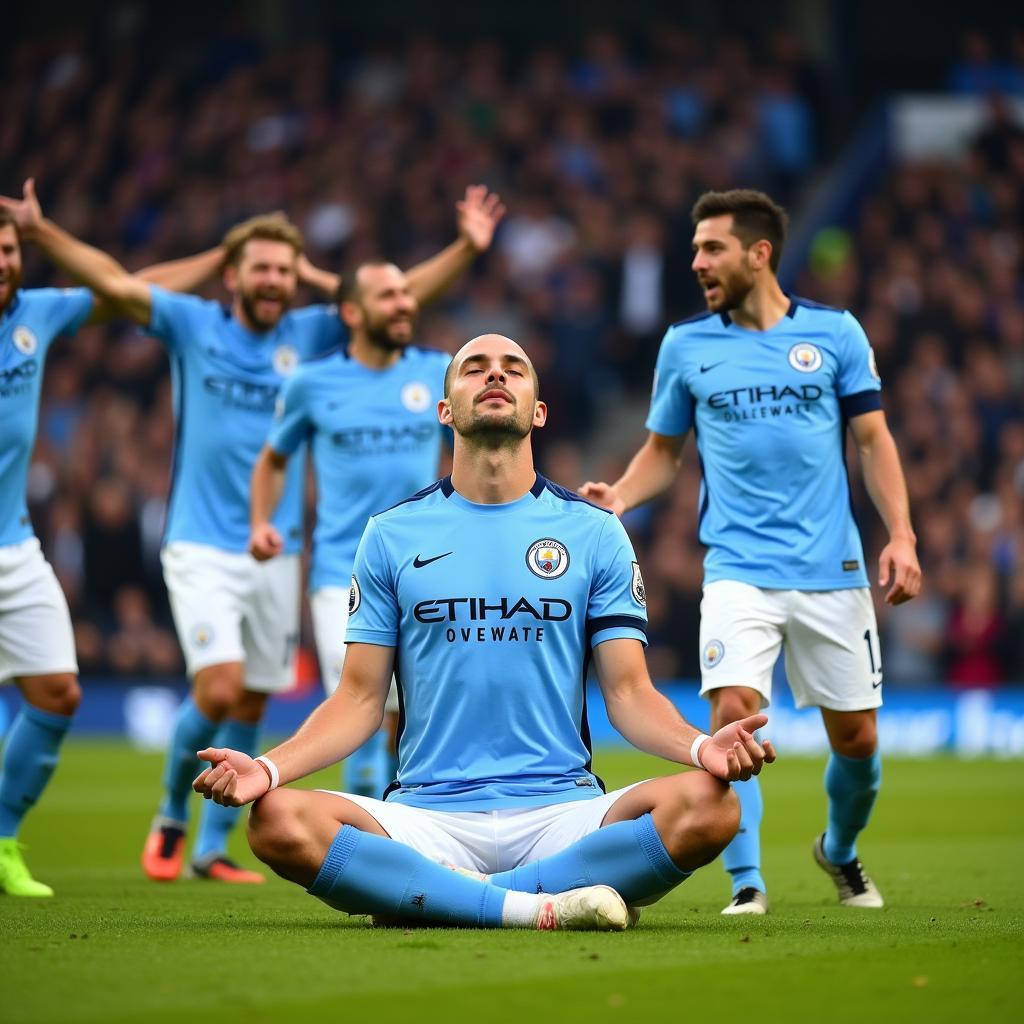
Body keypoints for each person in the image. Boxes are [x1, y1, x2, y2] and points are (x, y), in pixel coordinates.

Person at [1, 179, 505, 885]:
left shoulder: (310, 336)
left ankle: (212, 847)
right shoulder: (193, 325)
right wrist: (44, 233)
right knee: (219, 688)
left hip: (280, 552)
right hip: (204, 540)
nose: (273, 282)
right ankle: (172, 816)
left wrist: (460, 248)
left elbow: (388, 296)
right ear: (234, 275)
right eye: (260, 269)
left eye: (283, 271)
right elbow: (115, 285)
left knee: (251, 699)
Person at [193, 333, 775, 932]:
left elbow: (628, 695)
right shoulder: (390, 534)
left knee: (710, 808)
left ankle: (446, 897)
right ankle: (535, 906)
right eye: (474, 369)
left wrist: (701, 748)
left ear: (538, 411)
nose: (495, 376)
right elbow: (360, 699)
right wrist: (266, 770)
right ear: (445, 410)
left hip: (562, 813)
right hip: (425, 815)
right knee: (276, 820)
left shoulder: (595, 531)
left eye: (513, 369)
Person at [580, 189, 922, 915]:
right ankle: (747, 883)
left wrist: (902, 535)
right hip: (737, 570)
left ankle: (840, 850)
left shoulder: (835, 335)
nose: (697, 261)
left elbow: (873, 439)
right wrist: (620, 495)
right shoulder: (686, 345)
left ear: (759, 253)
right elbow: (663, 453)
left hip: (832, 571)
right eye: (696, 248)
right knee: (733, 714)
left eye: (712, 249)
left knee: (856, 740)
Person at [0, 199, 223, 896]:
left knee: (59, 691)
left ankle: (4, 841)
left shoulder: (34, 315)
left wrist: (219, 259)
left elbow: (133, 288)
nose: (5, 262)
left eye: (9, 250)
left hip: (12, 544)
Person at [249, 252, 473, 797]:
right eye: (388, 296)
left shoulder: (435, 372)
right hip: (341, 572)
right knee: (364, 702)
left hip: (430, 564)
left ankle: (412, 830)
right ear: (351, 313)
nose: (404, 304)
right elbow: (274, 458)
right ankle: (371, 853)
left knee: (413, 714)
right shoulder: (311, 383)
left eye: (406, 294)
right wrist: (261, 521)